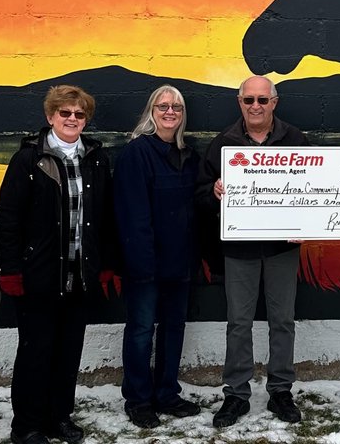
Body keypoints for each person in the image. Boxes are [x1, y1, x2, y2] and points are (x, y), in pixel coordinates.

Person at [0, 85, 116, 444]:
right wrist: (12, 270)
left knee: (68, 353)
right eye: (64, 113)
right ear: (50, 117)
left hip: (79, 276)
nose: (72, 119)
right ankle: (28, 425)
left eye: (79, 114)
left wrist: (106, 263)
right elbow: (9, 219)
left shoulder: (95, 158)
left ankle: (59, 417)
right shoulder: (28, 160)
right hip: (39, 276)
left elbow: (105, 215)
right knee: (36, 353)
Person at [197, 76, 309, 428]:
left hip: (281, 249)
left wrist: (309, 224)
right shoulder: (223, 144)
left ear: (275, 102)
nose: (256, 106)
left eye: (263, 100)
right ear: (239, 102)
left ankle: (280, 391)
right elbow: (199, 194)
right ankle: (236, 393)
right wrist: (213, 193)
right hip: (239, 248)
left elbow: (315, 190)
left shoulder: (296, 140)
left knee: (283, 320)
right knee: (238, 323)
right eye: (249, 101)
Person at [114, 85, 203, 428]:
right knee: (140, 330)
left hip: (181, 262)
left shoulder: (189, 155)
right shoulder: (137, 154)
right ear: (151, 112)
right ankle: (138, 399)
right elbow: (132, 214)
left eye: (177, 108)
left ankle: (166, 392)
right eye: (163, 106)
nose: (170, 112)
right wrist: (141, 263)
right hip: (146, 264)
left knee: (173, 329)